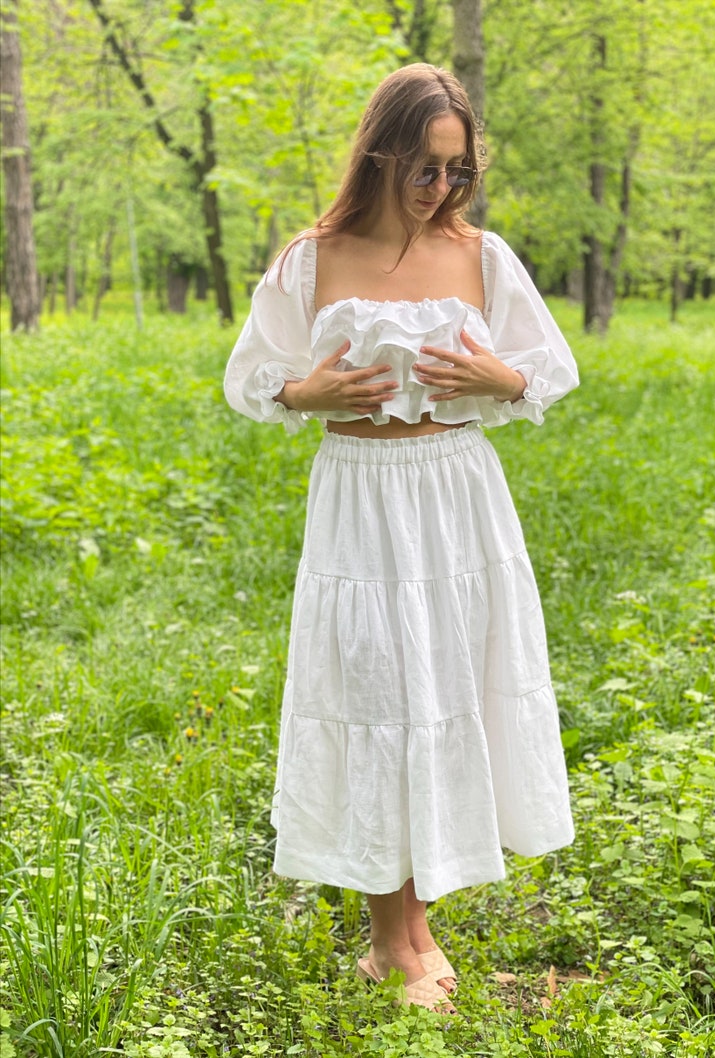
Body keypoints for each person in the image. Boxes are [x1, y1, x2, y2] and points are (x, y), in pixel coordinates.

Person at [224, 63, 578, 1013]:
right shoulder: (313, 257)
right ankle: (396, 938)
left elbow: (548, 370)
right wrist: (307, 392)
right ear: (380, 155)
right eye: (423, 169)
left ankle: (411, 935)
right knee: (378, 689)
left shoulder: (480, 256)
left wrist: (499, 383)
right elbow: (250, 376)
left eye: (456, 172)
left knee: (444, 684)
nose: (440, 190)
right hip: (360, 494)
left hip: (457, 492)